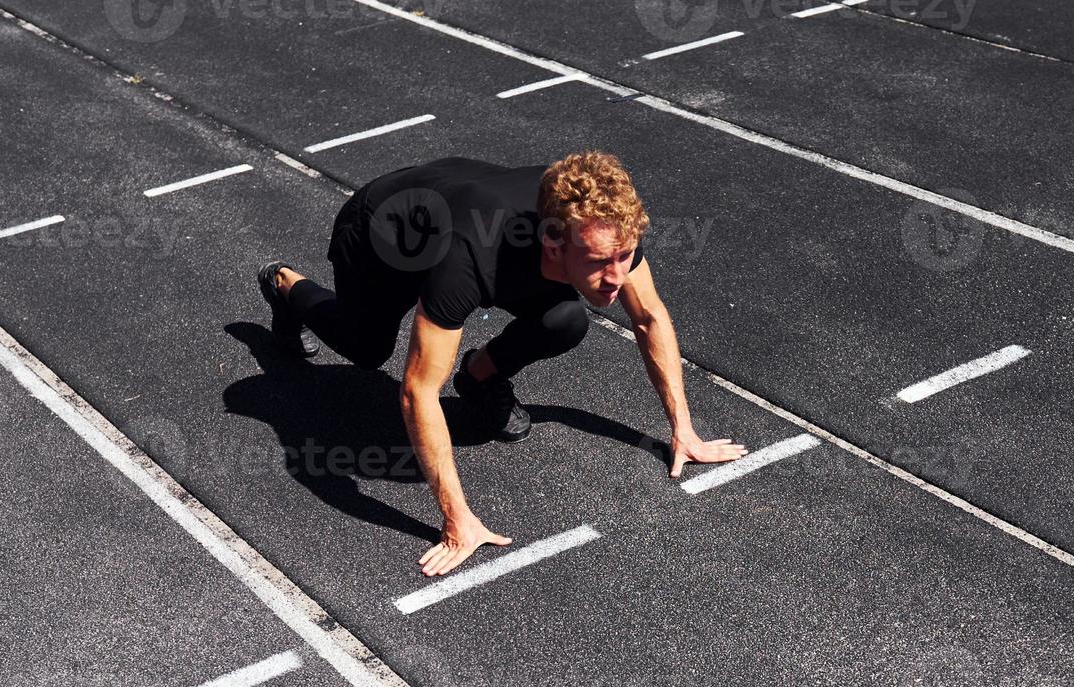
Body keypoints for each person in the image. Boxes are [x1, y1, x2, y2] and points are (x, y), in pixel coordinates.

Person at [256, 151, 747, 577]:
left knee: (565, 319)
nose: (617, 276)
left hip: (454, 197)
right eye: (600, 262)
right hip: (381, 234)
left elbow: (649, 318)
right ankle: (284, 283)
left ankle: (480, 377)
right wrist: (456, 522)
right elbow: (417, 391)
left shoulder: (602, 229)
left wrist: (684, 429)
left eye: (625, 255)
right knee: (367, 350)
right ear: (555, 245)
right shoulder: (471, 256)